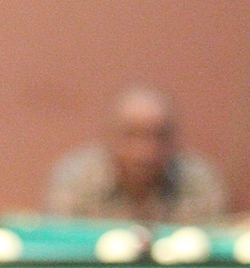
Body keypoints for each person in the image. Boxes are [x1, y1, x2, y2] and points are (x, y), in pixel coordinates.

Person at [47, 85, 227, 224]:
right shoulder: (76, 179)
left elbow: (209, 245)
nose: (144, 152)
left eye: (159, 136)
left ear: (174, 139)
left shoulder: (199, 181)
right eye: (131, 135)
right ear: (109, 136)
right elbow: (63, 244)